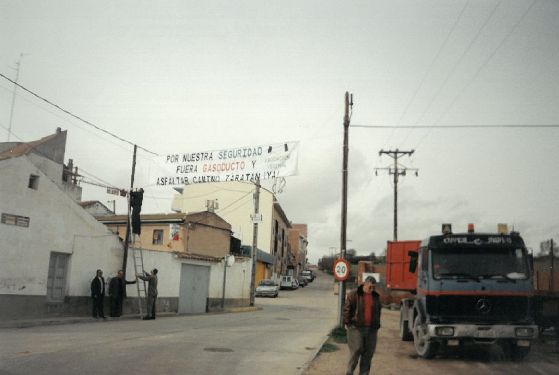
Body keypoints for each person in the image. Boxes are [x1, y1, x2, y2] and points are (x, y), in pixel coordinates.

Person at [343, 275, 381, 375]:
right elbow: (347, 309)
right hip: (356, 327)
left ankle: (364, 373)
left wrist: (377, 324)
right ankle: (349, 371)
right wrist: (348, 323)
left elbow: (378, 310)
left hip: (371, 329)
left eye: (373, 287)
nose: (372, 289)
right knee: (357, 349)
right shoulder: (353, 294)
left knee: (368, 353)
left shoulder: (376, 296)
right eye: (370, 287)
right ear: (364, 284)